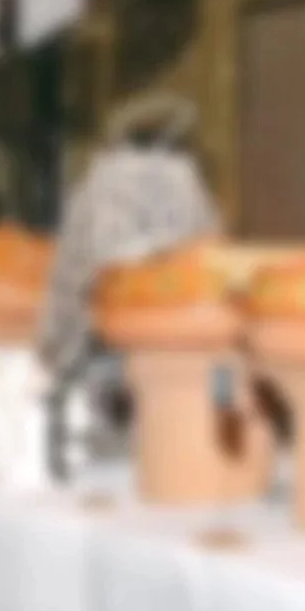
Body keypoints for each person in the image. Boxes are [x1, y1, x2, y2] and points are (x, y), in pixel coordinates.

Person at [36, 91, 220, 390]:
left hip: (112, 340)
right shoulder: (175, 180)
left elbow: (74, 274)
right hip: (137, 342)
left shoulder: (101, 183)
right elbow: (206, 246)